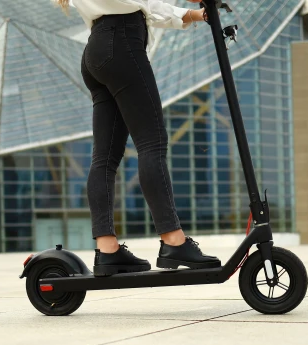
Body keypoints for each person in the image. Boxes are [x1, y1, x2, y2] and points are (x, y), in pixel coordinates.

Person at [55, 0, 220, 276]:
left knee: (104, 158)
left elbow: (142, 5)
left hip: (98, 49)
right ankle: (173, 241)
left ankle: (108, 251)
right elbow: (142, 4)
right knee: (151, 144)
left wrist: (192, 14)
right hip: (121, 44)